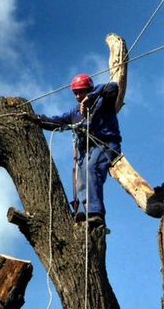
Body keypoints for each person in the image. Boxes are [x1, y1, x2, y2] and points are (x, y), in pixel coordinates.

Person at [35, 74, 122, 229]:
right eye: (75, 93)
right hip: (86, 151)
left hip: (106, 144)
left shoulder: (104, 101)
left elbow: (113, 86)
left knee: (91, 168)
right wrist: (36, 119)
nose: (78, 96)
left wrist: (91, 97)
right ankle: (82, 213)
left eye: (81, 91)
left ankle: (95, 213)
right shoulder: (75, 113)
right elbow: (56, 121)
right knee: (80, 180)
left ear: (89, 89)